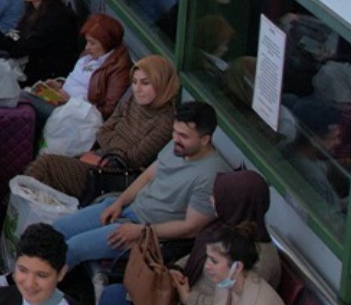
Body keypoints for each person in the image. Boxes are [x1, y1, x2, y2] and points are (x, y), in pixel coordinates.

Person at [97, 172, 282, 305]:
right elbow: (198, 256)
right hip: (179, 300)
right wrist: (176, 270)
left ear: (236, 203)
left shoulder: (258, 260)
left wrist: (189, 298)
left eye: (218, 197)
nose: (211, 200)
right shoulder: (226, 227)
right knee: (110, 295)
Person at [44, 101, 230, 272]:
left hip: (145, 232)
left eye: (183, 136)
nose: (175, 138)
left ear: (205, 139)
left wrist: (141, 231)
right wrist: (119, 202)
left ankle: (42, 288)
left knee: (74, 248)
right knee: (57, 229)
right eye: (174, 132)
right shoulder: (178, 147)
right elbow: (148, 176)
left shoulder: (211, 176)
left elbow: (191, 228)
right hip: (129, 208)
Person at [20, 55, 182, 203]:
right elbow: (102, 131)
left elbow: (132, 160)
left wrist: (110, 144)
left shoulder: (166, 122)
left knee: (45, 165)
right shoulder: (133, 100)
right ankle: (20, 208)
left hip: (112, 176)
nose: (137, 89)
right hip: (98, 158)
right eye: (134, 82)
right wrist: (115, 146)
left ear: (162, 84)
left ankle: (18, 209)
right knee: (42, 170)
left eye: (145, 83)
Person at [41, 13, 133, 120]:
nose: (87, 47)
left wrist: (72, 102)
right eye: (87, 41)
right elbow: (79, 79)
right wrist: (60, 84)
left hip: (75, 115)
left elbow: (108, 110)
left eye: (92, 43)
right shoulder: (90, 54)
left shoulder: (119, 69)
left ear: (107, 43)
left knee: (27, 102)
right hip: (61, 101)